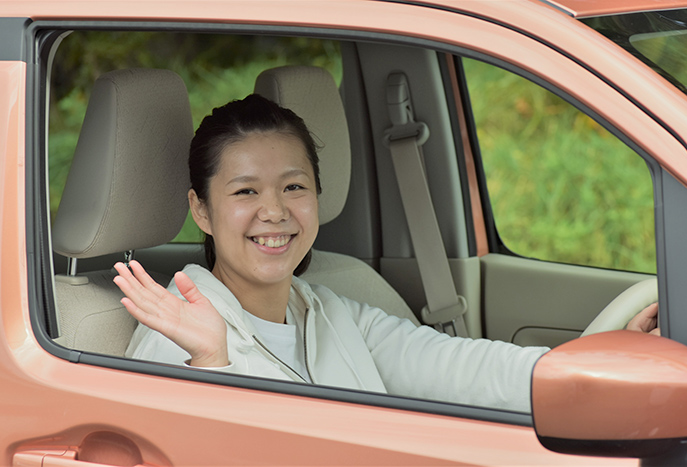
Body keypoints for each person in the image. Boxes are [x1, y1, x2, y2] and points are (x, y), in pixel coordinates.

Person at [114, 94, 659, 413]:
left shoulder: (327, 308)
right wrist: (214, 363)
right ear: (202, 211)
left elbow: (463, 368)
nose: (275, 212)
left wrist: (595, 367)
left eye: (294, 187)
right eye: (245, 192)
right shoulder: (175, 334)